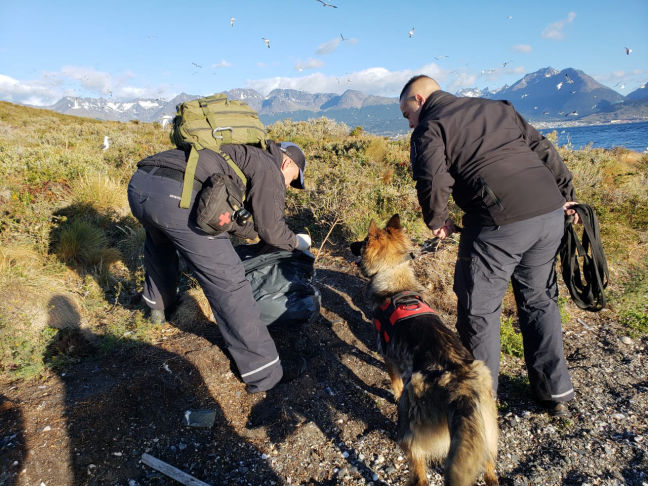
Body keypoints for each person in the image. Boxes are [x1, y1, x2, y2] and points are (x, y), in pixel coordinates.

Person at [399, 75, 580, 416]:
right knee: (539, 301)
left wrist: (438, 220)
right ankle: (555, 394)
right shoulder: (497, 107)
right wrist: (567, 195)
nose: (407, 121)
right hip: (548, 213)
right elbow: (543, 148)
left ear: (419, 99)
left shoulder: (430, 127)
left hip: (499, 223)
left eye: (405, 111)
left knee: (478, 311)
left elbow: (432, 178)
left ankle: (478, 405)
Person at [127, 140, 311, 393]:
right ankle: (265, 372)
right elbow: (273, 230)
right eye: (293, 179)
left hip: (142, 184)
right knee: (229, 281)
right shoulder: (269, 166)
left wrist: (253, 232)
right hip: (177, 195)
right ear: (287, 161)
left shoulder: (236, 151)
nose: (290, 185)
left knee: (160, 245)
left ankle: (157, 307)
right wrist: (297, 242)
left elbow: (225, 213)